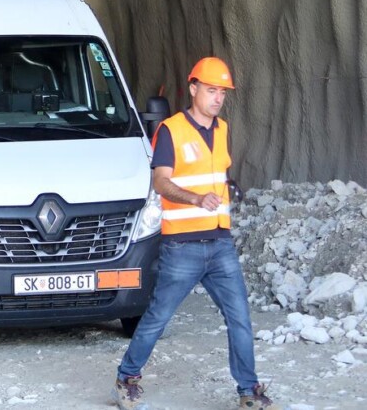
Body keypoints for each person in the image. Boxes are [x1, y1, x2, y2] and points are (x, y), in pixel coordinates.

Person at [114, 57, 281, 409]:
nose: (218, 98)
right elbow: (161, 181)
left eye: (222, 92)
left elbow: (215, 175)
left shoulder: (222, 130)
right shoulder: (171, 130)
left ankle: (248, 391)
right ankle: (127, 377)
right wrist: (194, 198)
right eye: (211, 90)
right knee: (158, 317)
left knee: (239, 317)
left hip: (220, 243)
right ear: (193, 89)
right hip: (182, 246)